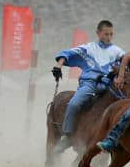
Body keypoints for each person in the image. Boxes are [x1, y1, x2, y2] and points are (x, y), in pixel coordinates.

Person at [52, 20, 125, 153]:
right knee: (74, 104)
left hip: (109, 86)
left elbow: (129, 67)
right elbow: (66, 53)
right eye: (106, 34)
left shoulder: (119, 52)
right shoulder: (88, 48)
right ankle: (67, 136)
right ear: (98, 33)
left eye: (111, 34)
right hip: (90, 84)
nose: (108, 37)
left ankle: (118, 139)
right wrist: (58, 66)